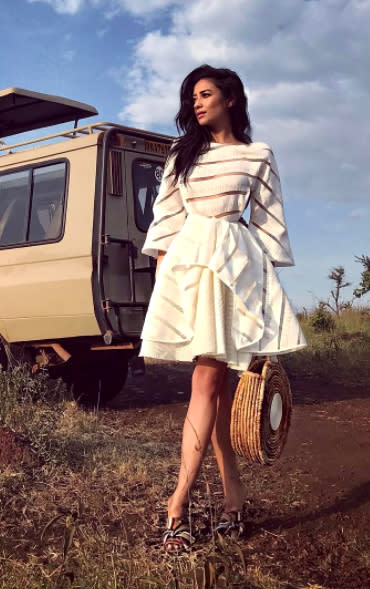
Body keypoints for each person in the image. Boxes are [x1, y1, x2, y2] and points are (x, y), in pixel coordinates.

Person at [140, 65, 307, 553]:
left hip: (237, 269)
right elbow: (167, 218)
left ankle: (226, 501)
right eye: (192, 96)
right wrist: (164, 278)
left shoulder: (258, 155)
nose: (196, 102)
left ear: (231, 99)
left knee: (215, 387)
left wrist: (267, 297)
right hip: (192, 268)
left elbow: (270, 224)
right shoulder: (182, 154)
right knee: (208, 385)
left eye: (206, 94)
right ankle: (182, 504)